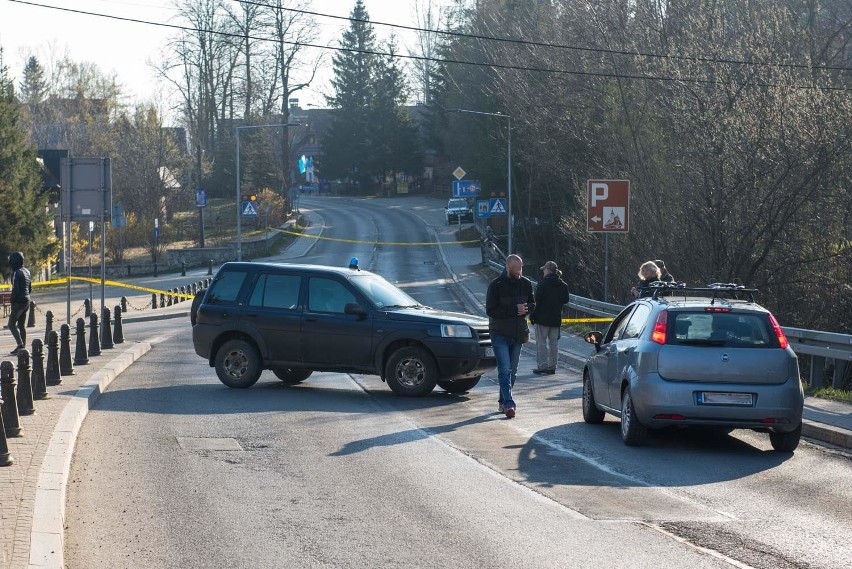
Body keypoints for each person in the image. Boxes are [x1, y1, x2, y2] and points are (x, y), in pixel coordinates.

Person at [485, 254, 535, 419]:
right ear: (508, 267)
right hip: (499, 333)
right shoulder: (496, 285)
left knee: (512, 372)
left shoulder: (526, 284)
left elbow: (532, 303)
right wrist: (514, 309)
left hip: (518, 333)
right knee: (504, 369)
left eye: (521, 268)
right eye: (516, 268)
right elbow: (491, 310)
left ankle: (502, 400)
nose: (520, 271)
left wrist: (527, 308)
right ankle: (509, 404)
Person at [530, 261, 569, 375]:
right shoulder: (563, 285)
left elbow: (537, 301)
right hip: (556, 319)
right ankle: (552, 366)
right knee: (554, 344)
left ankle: (542, 366)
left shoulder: (542, 284)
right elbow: (565, 300)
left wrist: (533, 315)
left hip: (542, 318)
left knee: (541, 343)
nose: (543, 271)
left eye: (544, 269)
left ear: (548, 270)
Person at [7, 252, 31, 355]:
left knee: (11, 324)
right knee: (21, 325)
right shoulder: (27, 271)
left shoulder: (16, 272)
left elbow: (15, 290)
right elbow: (30, 288)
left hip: (19, 302)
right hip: (27, 301)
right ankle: (23, 347)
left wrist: (12, 301)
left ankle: (20, 345)